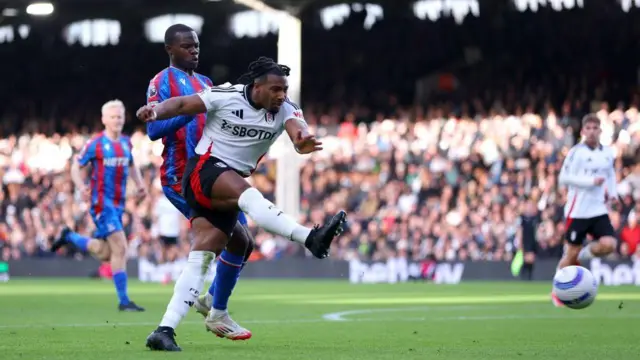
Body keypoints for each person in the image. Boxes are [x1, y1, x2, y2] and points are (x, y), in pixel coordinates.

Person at [137, 56, 346, 338]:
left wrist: (303, 142)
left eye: (284, 90)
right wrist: (156, 110)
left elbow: (299, 131)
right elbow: (183, 104)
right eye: (275, 89)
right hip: (204, 171)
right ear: (256, 86)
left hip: (228, 181)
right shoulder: (226, 95)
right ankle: (310, 238)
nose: (281, 95)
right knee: (249, 197)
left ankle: (168, 328)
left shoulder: (286, 109)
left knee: (220, 249)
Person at [143, 24, 254, 351]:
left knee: (244, 241)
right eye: (187, 46)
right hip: (180, 175)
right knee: (227, 238)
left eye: (196, 45)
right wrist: (186, 110)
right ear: (170, 49)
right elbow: (153, 129)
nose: (194, 50)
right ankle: (206, 311)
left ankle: (211, 304)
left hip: (210, 173)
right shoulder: (160, 82)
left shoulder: (206, 83)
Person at [50, 100, 146, 312]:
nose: (117, 120)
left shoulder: (126, 143)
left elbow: (132, 164)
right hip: (102, 204)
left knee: (106, 254)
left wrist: (140, 185)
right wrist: (80, 185)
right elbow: (77, 166)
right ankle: (124, 301)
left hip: (119, 205)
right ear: (104, 120)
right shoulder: (95, 143)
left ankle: (70, 237)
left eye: (120, 116)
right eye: (112, 117)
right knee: (121, 246)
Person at [552, 114, 618, 307]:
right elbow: (563, 178)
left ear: (600, 131)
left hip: (598, 209)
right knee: (570, 254)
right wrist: (590, 182)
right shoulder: (576, 152)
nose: (591, 131)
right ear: (582, 132)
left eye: (594, 128)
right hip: (577, 211)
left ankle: (582, 256)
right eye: (587, 128)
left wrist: (612, 194)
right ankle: (557, 290)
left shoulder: (606, 153)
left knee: (610, 244)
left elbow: (610, 175)